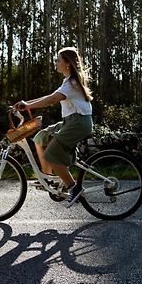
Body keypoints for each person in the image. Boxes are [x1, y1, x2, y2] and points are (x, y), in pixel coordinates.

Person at [14, 46, 93, 207]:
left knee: (52, 154)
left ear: (68, 64)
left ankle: (74, 187)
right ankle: (50, 180)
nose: (55, 63)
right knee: (40, 137)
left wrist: (28, 107)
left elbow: (52, 99)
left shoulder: (71, 83)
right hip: (70, 121)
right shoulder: (68, 81)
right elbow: (49, 96)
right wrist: (26, 104)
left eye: (58, 60)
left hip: (79, 122)